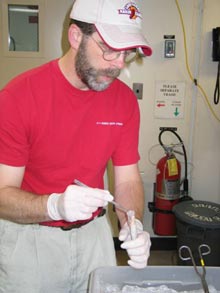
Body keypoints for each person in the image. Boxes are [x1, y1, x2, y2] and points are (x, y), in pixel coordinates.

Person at [0, 0, 152, 292]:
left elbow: (128, 179)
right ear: (76, 36)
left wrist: (132, 223)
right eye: (109, 48)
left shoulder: (124, 101)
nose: (119, 63)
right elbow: (2, 194)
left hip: (94, 238)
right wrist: (54, 205)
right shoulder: (18, 98)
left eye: (127, 52)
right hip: (29, 239)